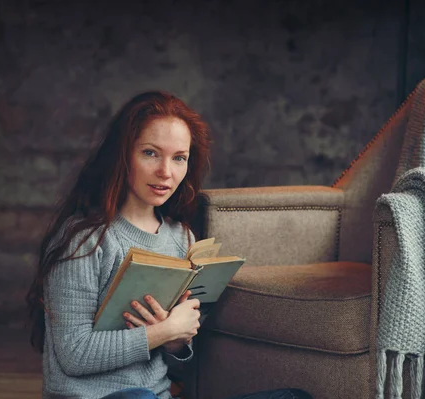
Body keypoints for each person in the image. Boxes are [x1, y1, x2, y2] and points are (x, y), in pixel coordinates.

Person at [26, 91, 311, 399]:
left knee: (294, 398)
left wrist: (177, 342)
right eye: (150, 153)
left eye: (179, 158)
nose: (166, 172)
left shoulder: (182, 239)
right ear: (122, 156)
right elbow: (74, 354)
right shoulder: (83, 239)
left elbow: (178, 368)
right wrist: (163, 331)